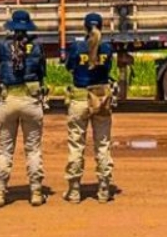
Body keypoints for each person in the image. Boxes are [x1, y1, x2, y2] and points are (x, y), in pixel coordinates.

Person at [0, 9, 48, 208]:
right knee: (33, 149)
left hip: (8, 101)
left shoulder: (4, 46)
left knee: (5, 150)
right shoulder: (38, 47)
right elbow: (41, 72)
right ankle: (36, 192)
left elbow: (0, 66)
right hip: (31, 101)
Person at [63, 12, 116, 204]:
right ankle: (103, 189)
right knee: (102, 144)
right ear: (101, 27)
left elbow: (69, 66)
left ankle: (75, 190)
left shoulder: (76, 46)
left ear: (85, 28)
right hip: (100, 99)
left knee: (77, 144)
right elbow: (108, 69)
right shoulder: (107, 48)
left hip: (79, 99)